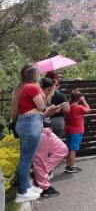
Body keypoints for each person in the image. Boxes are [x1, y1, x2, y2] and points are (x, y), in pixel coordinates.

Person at [11, 64, 60, 203]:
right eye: (39, 73)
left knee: (27, 158)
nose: (40, 76)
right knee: (26, 159)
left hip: (25, 123)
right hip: (31, 124)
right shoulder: (32, 87)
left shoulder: (22, 87)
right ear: (34, 75)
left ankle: (26, 186)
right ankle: (22, 192)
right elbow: (41, 107)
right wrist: (45, 96)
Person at [32, 78, 69, 197]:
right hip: (40, 129)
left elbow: (43, 116)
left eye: (51, 90)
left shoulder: (44, 97)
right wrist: (49, 111)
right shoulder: (36, 96)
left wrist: (52, 111)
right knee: (40, 158)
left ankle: (40, 175)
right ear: (41, 88)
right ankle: (43, 185)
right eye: (48, 90)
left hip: (47, 129)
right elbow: (36, 117)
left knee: (62, 149)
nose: (49, 92)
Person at [64, 91, 91, 173]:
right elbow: (89, 110)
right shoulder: (79, 107)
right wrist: (84, 101)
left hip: (69, 129)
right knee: (73, 149)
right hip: (77, 131)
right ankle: (72, 166)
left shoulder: (68, 107)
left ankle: (68, 165)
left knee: (69, 148)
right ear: (79, 98)